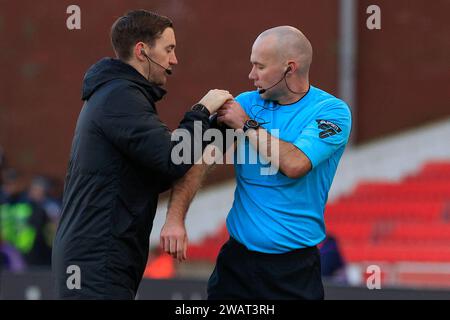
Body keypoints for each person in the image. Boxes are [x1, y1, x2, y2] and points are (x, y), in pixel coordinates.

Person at [52, 10, 232, 300]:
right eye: (169, 49)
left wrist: (216, 131)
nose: (174, 60)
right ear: (141, 51)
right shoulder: (120, 96)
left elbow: (158, 172)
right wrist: (201, 111)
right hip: (95, 261)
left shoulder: (119, 95)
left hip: (102, 257)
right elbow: (173, 158)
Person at [165, 26, 352, 300]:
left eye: (259, 67)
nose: (251, 75)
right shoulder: (244, 104)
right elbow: (200, 160)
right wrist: (175, 218)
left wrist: (246, 124)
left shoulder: (331, 111)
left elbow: (295, 164)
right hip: (237, 264)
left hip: (294, 270)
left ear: (289, 69)